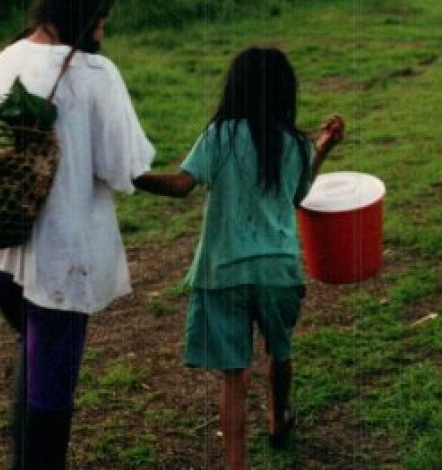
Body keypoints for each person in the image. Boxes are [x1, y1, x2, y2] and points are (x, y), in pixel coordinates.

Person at [0, 0, 155, 470]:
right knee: (50, 384)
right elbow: (123, 167)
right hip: (60, 260)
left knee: (33, 352)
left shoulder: (0, 60)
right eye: (101, 21)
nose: (102, 32)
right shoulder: (94, 73)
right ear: (85, 17)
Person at [133, 46, 344, 470]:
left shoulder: (220, 137)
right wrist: (321, 148)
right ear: (286, 92)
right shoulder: (293, 143)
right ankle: (279, 417)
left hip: (223, 270)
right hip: (278, 271)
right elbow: (300, 195)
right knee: (280, 351)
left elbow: (179, 186)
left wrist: (127, 176)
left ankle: (235, 463)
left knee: (235, 375)